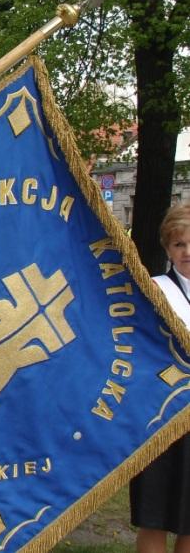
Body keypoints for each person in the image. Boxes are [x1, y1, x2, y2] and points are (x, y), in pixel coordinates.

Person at [130, 203, 190, 553]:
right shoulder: (153, 290)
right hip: (160, 418)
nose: (187, 252)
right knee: (155, 518)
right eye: (180, 244)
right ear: (168, 248)